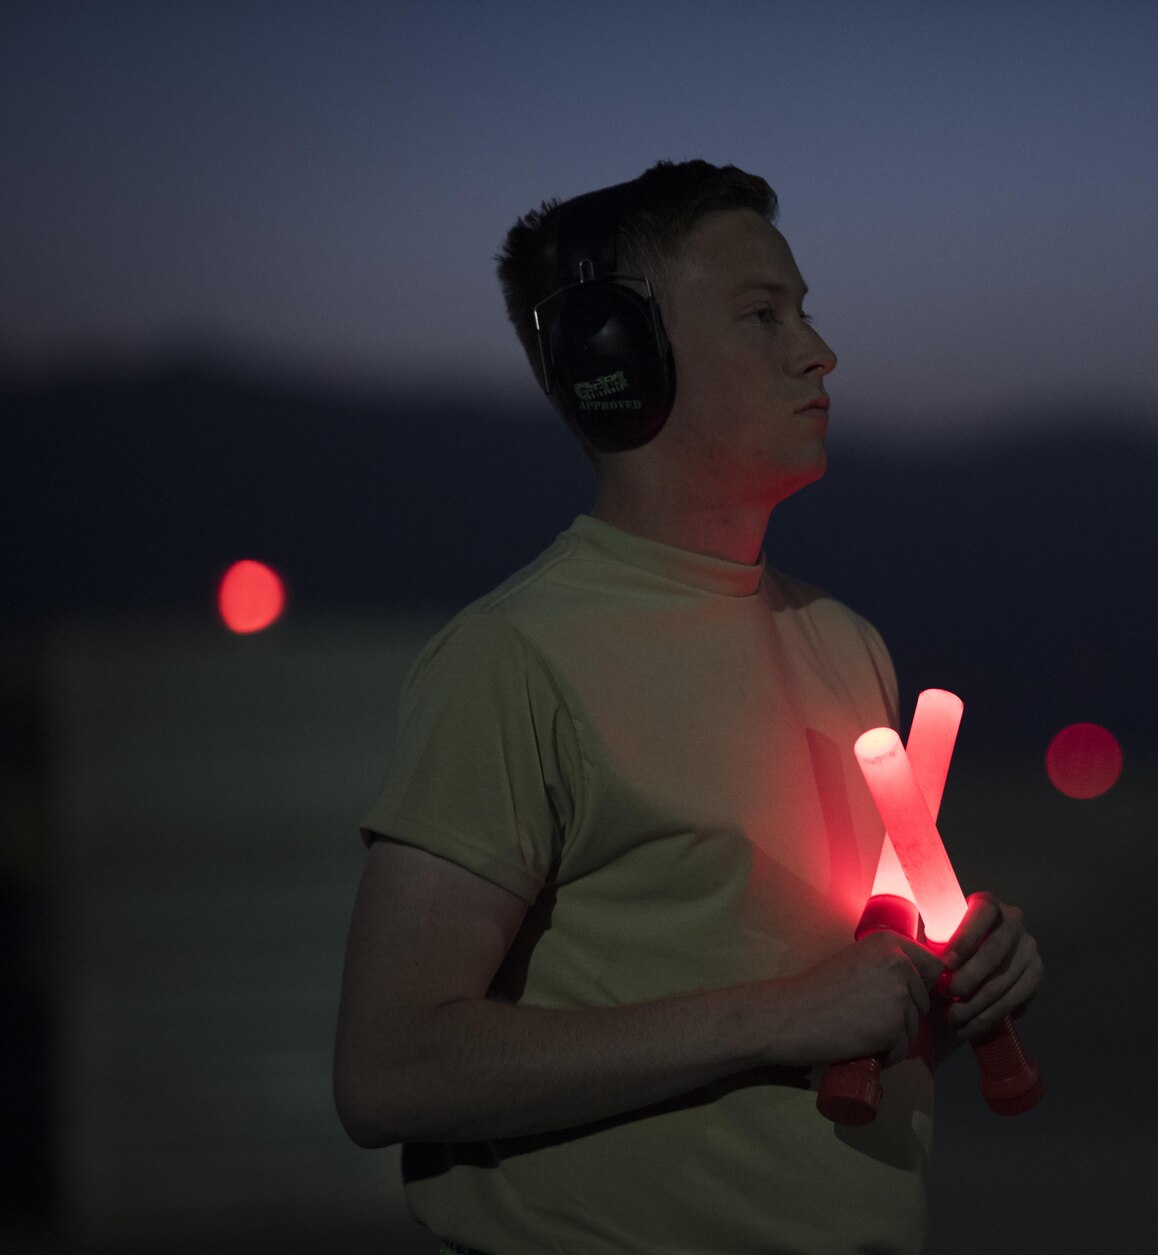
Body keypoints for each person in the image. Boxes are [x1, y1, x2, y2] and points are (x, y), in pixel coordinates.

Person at [332, 159, 1043, 1255]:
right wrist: (779, 1015)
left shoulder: (845, 646)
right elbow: (388, 1073)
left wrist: (949, 994)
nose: (818, 349)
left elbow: (833, 1039)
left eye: (804, 310)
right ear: (617, 358)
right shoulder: (510, 658)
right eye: (763, 315)